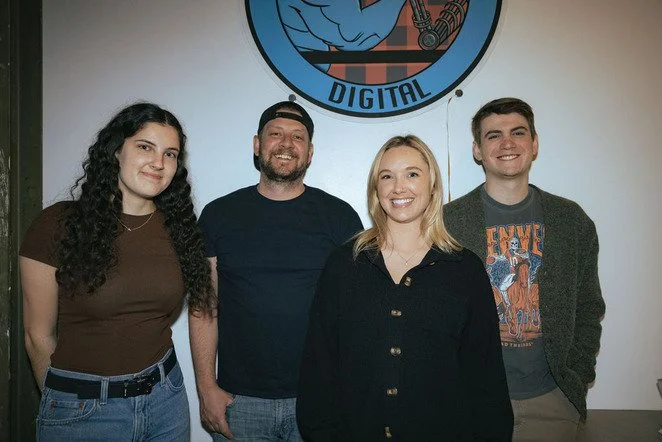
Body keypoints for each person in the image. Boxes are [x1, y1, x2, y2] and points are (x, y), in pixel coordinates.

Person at [297, 135, 513, 441]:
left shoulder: (465, 270)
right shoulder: (344, 264)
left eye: (412, 174)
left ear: (432, 185)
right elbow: (318, 369)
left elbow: (486, 378)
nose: (399, 187)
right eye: (387, 177)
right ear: (376, 190)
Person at [19, 102, 214, 441]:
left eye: (170, 154)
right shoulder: (57, 225)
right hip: (83, 411)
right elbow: (38, 336)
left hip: (166, 400)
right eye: (145, 147)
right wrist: (62, 403)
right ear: (115, 151)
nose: (158, 162)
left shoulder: (181, 229)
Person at [190, 100, 363, 441]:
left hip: (320, 397)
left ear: (309, 152)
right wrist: (206, 388)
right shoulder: (218, 215)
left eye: (297, 136)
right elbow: (203, 307)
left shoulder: (340, 217)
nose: (287, 143)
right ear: (257, 144)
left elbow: (356, 312)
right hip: (239, 402)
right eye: (276, 134)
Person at [444, 97, 605, 441]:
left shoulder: (571, 220)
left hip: (552, 402)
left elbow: (589, 306)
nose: (507, 143)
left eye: (518, 133)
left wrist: (576, 377)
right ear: (477, 150)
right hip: (470, 401)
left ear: (534, 144)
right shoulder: (447, 223)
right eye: (493, 135)